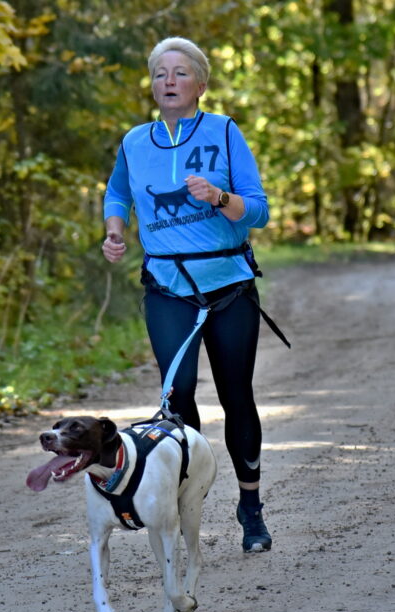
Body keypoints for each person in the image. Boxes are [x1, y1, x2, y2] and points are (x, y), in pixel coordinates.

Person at [101, 36, 282, 553]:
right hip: (167, 286)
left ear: (200, 84)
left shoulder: (225, 132)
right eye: (160, 74)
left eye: (180, 73)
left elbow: (260, 211)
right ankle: (189, 505)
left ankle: (251, 506)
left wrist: (221, 198)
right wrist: (115, 230)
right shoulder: (135, 141)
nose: (169, 82)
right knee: (177, 397)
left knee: (235, 396)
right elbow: (118, 192)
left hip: (227, 285)